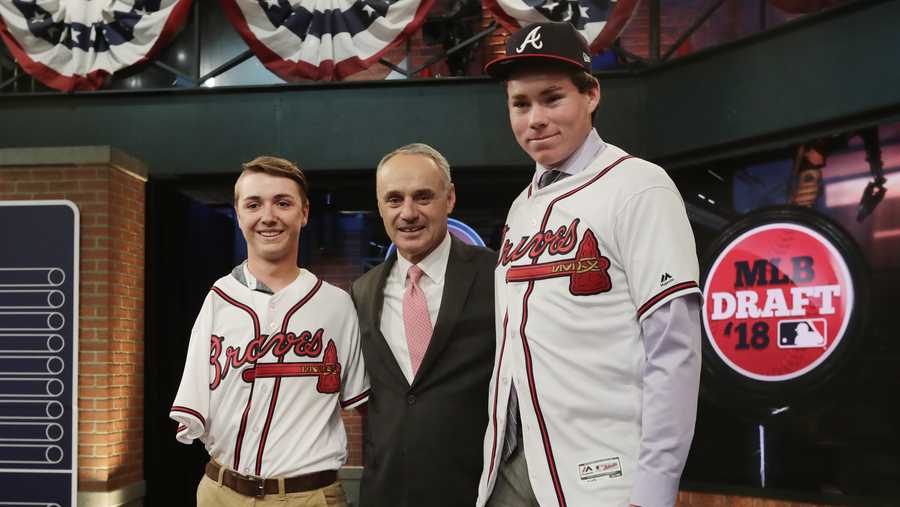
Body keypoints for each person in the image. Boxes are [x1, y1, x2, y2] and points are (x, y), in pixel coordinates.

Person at [476, 22, 702, 507]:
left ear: (591, 94)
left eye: (552, 98)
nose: (535, 118)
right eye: (520, 103)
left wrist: (655, 488)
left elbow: (674, 349)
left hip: (604, 475)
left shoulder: (640, 186)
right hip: (513, 466)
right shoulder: (522, 207)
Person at [170, 156, 370, 507]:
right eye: (254, 204)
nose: (268, 216)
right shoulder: (218, 299)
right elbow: (195, 408)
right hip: (221, 493)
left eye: (282, 203)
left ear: (304, 213)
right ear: (238, 213)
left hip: (307, 495)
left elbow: (364, 405)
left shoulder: (337, 306)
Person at [350, 143, 496, 507]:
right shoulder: (362, 291)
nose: (408, 213)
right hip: (385, 494)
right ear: (381, 206)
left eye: (423, 197)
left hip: (477, 493)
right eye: (394, 199)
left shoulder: (498, 276)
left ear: (450, 199)